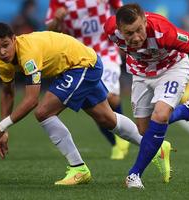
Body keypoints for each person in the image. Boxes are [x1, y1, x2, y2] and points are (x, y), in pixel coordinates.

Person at [0, 22, 177, 186]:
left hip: (81, 65)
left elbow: (32, 99)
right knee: (107, 119)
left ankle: (78, 168)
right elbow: (8, 92)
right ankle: (156, 147)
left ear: (14, 39)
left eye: (6, 45)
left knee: (43, 112)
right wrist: (4, 130)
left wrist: (1, 126)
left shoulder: (28, 54)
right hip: (78, 65)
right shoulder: (2, 63)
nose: (2, 52)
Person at [104, 3, 189, 188]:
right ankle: (186, 112)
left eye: (139, 30)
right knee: (144, 131)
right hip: (141, 73)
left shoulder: (163, 31)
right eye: (129, 33)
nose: (136, 37)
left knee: (160, 115)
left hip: (172, 69)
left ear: (144, 20)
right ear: (119, 29)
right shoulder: (110, 28)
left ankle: (134, 175)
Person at [45, 0, 130, 160]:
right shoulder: (58, 2)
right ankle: (116, 143)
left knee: (111, 98)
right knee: (95, 105)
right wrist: (57, 20)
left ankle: (121, 136)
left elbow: (122, 12)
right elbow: (51, 31)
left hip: (106, 49)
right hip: (79, 56)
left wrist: (123, 39)